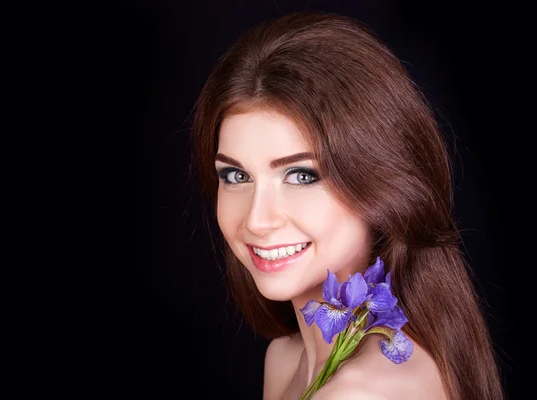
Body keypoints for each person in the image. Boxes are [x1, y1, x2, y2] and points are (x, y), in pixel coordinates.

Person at [189, 11, 503, 400]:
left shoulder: (361, 392)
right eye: (236, 177)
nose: (257, 220)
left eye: (301, 176)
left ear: (382, 184)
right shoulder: (287, 358)